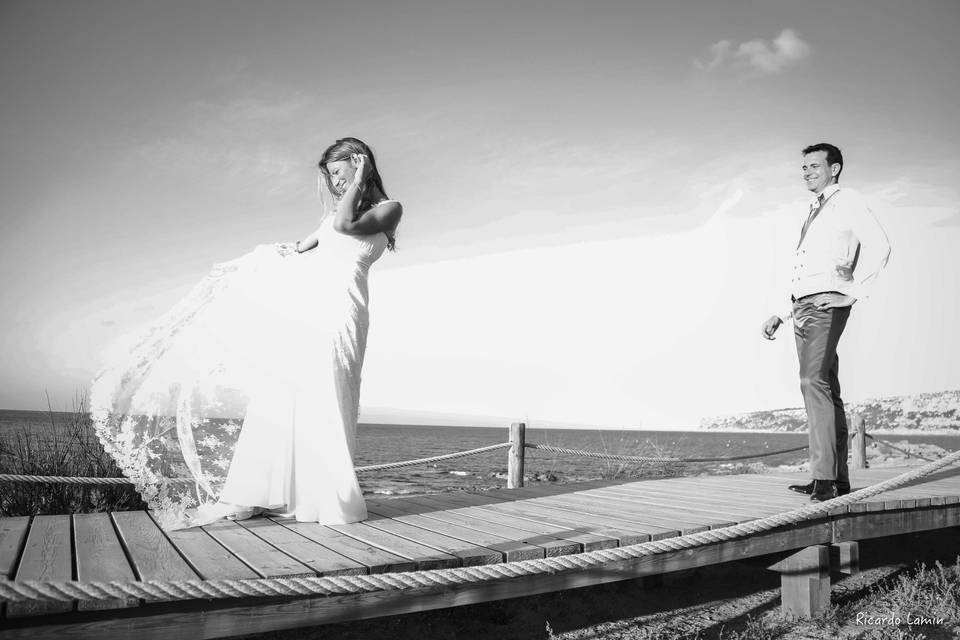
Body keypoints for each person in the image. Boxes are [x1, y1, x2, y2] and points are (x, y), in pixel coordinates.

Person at [90, 137, 402, 529]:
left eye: (339, 174)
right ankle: (271, 493)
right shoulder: (331, 217)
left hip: (343, 313)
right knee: (287, 397)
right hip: (307, 316)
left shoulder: (389, 209)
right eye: (332, 178)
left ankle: (325, 499)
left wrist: (359, 178)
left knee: (331, 394)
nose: (336, 184)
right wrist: (271, 257)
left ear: (360, 165)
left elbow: (345, 225)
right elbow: (303, 248)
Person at [761, 143, 890, 502]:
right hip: (802, 307)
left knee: (811, 381)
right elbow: (807, 271)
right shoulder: (814, 210)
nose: (806, 172)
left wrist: (852, 294)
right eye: (803, 167)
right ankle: (836, 478)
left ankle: (824, 479)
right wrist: (781, 313)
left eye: (814, 165)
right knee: (827, 387)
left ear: (834, 169)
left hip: (825, 307)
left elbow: (881, 245)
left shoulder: (847, 200)